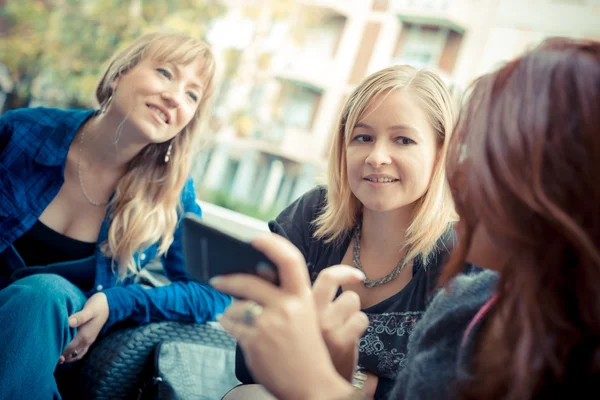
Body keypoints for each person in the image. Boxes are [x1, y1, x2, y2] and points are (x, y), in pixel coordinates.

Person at [211, 37, 600, 399]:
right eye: (362, 137)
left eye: (404, 139)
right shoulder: (483, 305)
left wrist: (329, 379)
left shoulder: (473, 291)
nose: (460, 173)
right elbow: (251, 357)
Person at [0, 32, 231, 399]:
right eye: (165, 73)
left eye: (192, 95)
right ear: (121, 72)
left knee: (43, 295)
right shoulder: (22, 133)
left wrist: (118, 302)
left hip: (46, 356)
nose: (174, 97)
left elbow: (212, 293)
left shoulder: (169, 193)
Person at [230, 64, 478, 399]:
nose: (377, 157)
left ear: (440, 154)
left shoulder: (462, 260)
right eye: (363, 137)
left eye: (403, 140)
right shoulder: (311, 214)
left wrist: (343, 380)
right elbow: (248, 363)